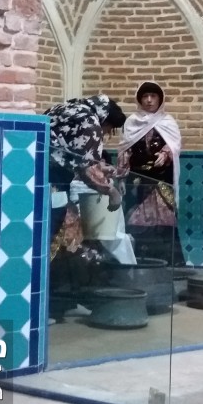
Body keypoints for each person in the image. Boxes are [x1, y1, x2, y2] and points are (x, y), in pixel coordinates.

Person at [44, 95, 126, 318]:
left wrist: (104, 169)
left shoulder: (68, 108)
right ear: (106, 119)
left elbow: (75, 155)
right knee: (63, 242)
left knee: (62, 240)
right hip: (53, 187)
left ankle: (60, 302)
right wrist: (112, 192)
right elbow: (88, 170)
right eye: (109, 128)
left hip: (37, 182)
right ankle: (54, 304)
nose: (107, 133)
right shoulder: (90, 122)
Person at [116, 81, 184, 267]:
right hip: (137, 180)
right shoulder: (131, 122)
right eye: (145, 96)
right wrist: (121, 177)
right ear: (139, 99)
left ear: (160, 99)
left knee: (164, 218)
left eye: (153, 96)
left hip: (162, 178)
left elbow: (175, 144)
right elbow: (125, 150)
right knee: (134, 218)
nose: (149, 100)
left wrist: (166, 152)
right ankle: (135, 262)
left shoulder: (168, 122)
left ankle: (170, 265)